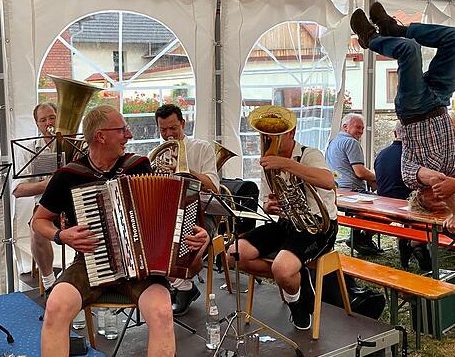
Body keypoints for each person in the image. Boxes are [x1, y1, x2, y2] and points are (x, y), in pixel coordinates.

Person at [32, 105, 210, 357]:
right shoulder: (69, 176)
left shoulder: (138, 165)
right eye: (121, 130)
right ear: (100, 136)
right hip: (90, 261)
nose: (129, 135)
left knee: (162, 312)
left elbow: (166, 213)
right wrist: (62, 235)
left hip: (140, 266)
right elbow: (39, 220)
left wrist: (196, 235)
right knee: (55, 306)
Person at [350, 2, 455, 233]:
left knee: (409, 50)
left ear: (419, 196)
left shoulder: (410, 174)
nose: (440, 198)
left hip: (413, 109)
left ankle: (370, 39)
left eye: (433, 200)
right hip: (440, 99)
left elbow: (438, 179)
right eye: (442, 202)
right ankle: (394, 30)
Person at [229, 117, 339, 331]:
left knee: (282, 269)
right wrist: (269, 206)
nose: (270, 140)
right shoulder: (268, 163)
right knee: (234, 255)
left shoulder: (309, 154)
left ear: (292, 133)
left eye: (277, 135)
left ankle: (296, 303)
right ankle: (295, 279)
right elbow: (267, 200)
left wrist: (286, 164)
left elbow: (328, 181)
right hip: (287, 223)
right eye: (267, 136)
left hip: (318, 226)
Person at [152, 103, 219, 316]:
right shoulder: (157, 153)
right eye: (163, 130)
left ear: (183, 123)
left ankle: (182, 286)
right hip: (169, 213)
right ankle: (183, 286)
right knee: (148, 243)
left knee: (187, 248)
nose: (169, 134)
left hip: (202, 211)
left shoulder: (201, 148)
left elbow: (214, 186)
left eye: (173, 128)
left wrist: (185, 170)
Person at [374, 122, 432, 270]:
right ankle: (417, 244)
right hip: (406, 205)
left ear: (395, 134)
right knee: (429, 206)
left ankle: (410, 249)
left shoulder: (382, 154)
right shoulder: (414, 155)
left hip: (383, 203)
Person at [13, 102, 58, 290]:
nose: (48, 123)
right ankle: (49, 282)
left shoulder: (76, 145)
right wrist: (45, 185)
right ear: (37, 124)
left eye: (52, 117)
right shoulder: (30, 150)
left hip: (73, 203)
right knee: (36, 228)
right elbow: (17, 190)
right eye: (43, 119)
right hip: (46, 205)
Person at [325, 113, 382, 255]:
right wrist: (378, 178)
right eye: (358, 127)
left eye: (362, 128)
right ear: (345, 127)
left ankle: (360, 237)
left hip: (338, 192)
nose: (361, 131)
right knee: (383, 205)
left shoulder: (333, 142)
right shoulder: (351, 142)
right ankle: (360, 237)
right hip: (353, 192)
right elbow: (360, 172)